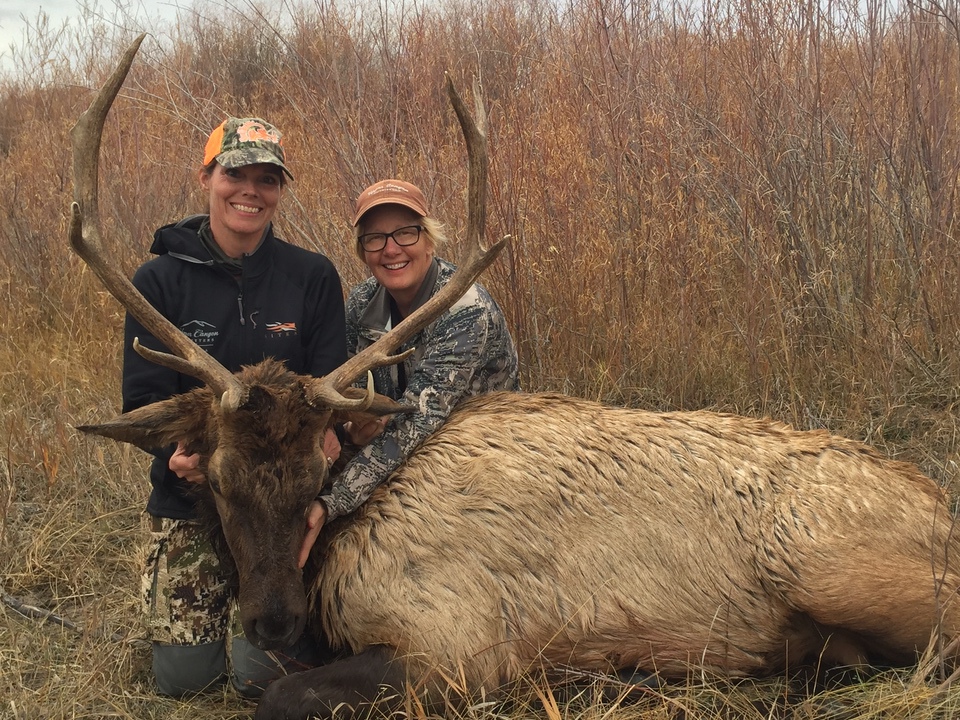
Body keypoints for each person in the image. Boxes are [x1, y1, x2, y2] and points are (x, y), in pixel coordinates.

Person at [122, 117, 347, 698]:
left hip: (283, 506)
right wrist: (179, 455)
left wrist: (327, 436)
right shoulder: (159, 281)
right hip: (193, 496)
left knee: (261, 676)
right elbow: (143, 403)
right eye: (234, 173)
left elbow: (329, 395)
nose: (250, 190)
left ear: (279, 191)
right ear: (207, 177)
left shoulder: (312, 277)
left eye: (266, 179)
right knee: (184, 684)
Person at [299, 179, 520, 562]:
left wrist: (331, 503)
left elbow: (418, 421)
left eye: (406, 233)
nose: (391, 249)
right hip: (404, 461)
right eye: (375, 238)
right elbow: (348, 395)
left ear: (429, 240)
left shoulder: (466, 308)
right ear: (363, 251)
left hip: (483, 465)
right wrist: (349, 428)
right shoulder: (362, 302)